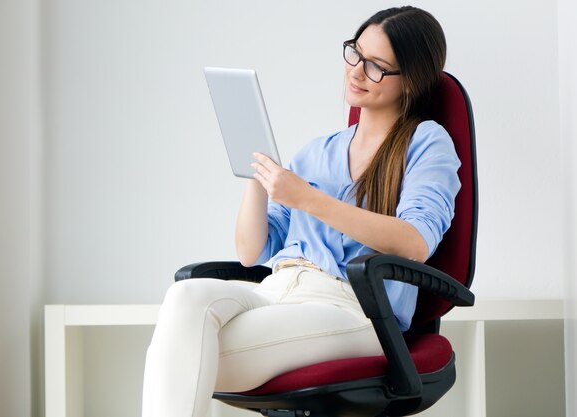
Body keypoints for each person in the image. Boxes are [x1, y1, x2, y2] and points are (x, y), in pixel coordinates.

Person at [142, 6, 461, 417]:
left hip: (353, 308)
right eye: (354, 54)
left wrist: (307, 199)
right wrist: (256, 173)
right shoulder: (317, 152)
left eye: (377, 66)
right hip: (277, 291)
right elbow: (251, 253)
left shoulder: (427, 143)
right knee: (185, 296)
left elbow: (414, 243)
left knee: (179, 357)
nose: (357, 72)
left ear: (411, 80)